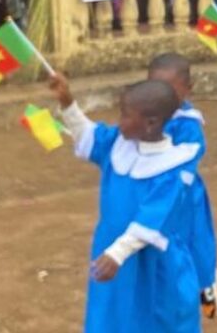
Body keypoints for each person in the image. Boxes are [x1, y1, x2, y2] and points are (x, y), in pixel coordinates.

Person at [49, 75, 202, 332]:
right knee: (110, 317)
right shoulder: (117, 145)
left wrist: (117, 253)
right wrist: (67, 102)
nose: (119, 121)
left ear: (151, 123)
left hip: (151, 260)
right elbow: (88, 135)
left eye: (125, 115)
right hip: (110, 252)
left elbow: (154, 217)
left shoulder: (172, 168)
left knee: (154, 318)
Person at [146, 53, 217, 319]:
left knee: (194, 245)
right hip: (154, 196)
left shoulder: (188, 124)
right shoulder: (143, 114)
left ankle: (206, 288)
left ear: (188, 90)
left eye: (170, 90)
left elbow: (186, 163)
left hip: (184, 198)